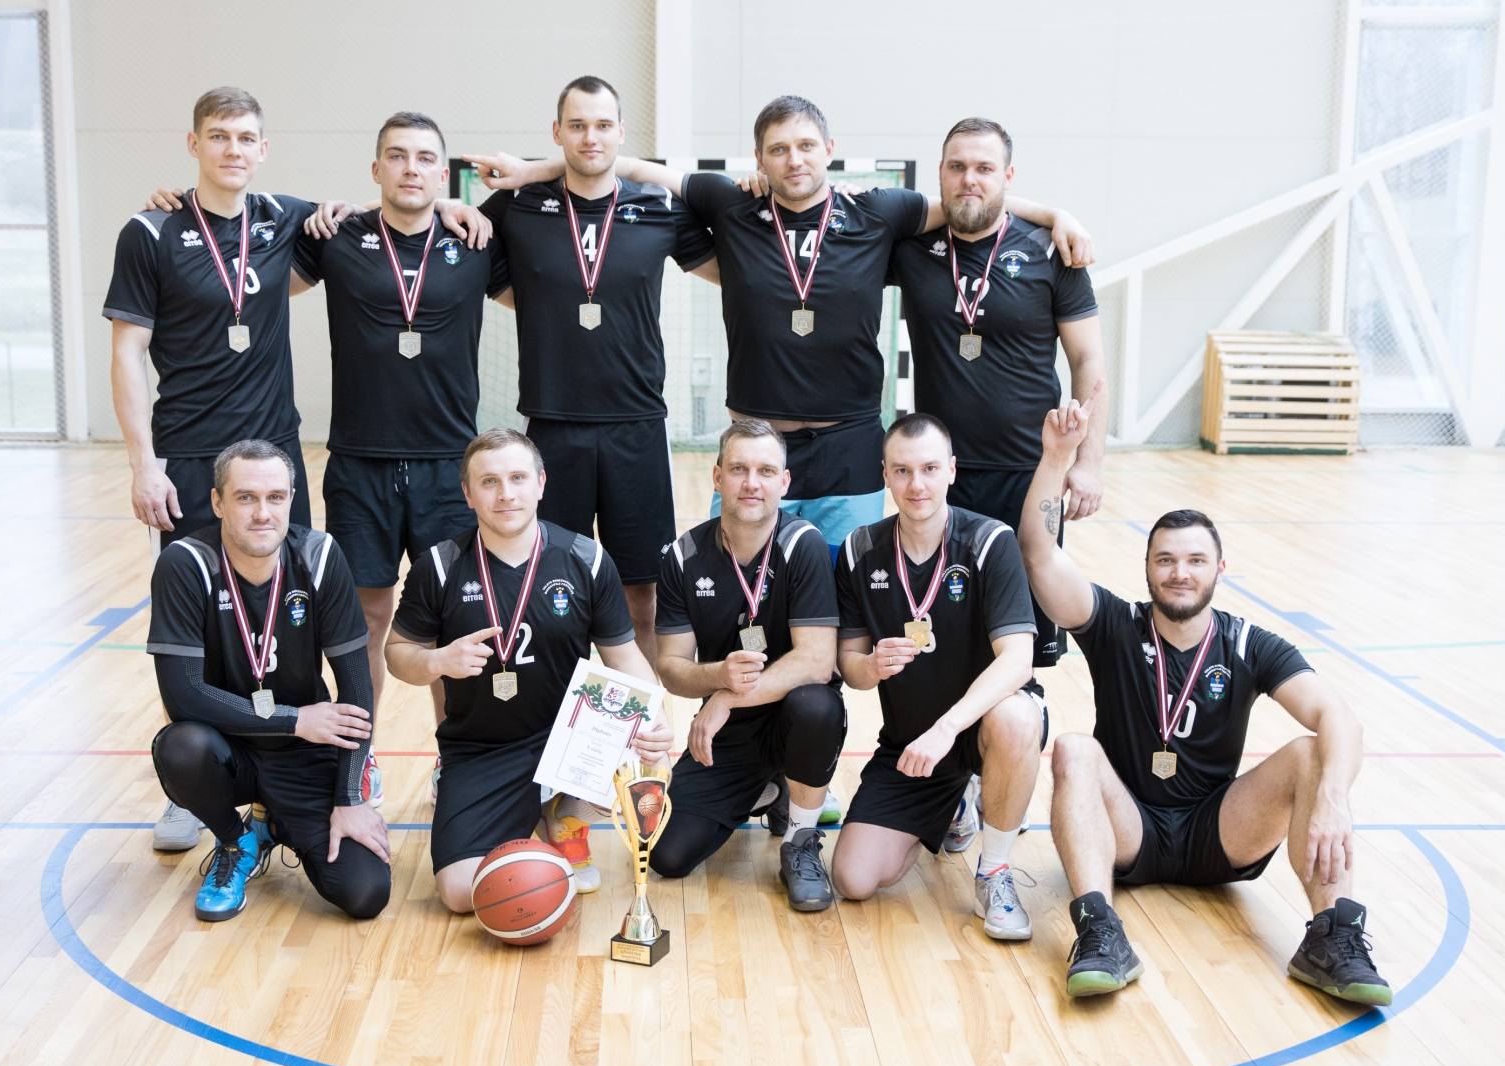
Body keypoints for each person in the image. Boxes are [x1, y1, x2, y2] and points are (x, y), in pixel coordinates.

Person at [470, 96, 1091, 556]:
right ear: (759, 159)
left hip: (848, 444)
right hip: (756, 444)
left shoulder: (878, 212)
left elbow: (968, 205)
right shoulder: (730, 205)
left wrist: (1054, 213)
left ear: (829, 149)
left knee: (842, 603)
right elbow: (621, 164)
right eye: (778, 149)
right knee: (743, 599)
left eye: (806, 146)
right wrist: (530, 172)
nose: (794, 160)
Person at [1018, 385, 1390, 1004]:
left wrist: (1332, 798)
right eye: (1165, 560)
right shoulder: (1115, 624)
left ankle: (1334, 937)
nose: (1179, 573)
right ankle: (1099, 931)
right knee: (1075, 749)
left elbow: (1339, 717)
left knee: (1311, 753)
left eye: (1195, 560)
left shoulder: (1248, 644)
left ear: (1219, 569)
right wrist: (1057, 458)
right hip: (1129, 828)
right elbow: (1038, 555)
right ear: (1147, 569)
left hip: (1219, 832)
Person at [407, 76, 715, 676]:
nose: (589, 137)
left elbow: (733, 249)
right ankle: (560, 726)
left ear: (621, 133)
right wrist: (445, 204)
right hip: (552, 427)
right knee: (554, 590)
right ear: (557, 133)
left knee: (642, 596)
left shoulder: (657, 208)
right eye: (577, 126)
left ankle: (641, 728)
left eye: (602, 125)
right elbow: (454, 240)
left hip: (636, 427)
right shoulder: (519, 207)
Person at [105, 87, 321, 855]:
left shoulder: (285, 219)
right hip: (190, 457)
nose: (234, 148)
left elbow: (383, 221)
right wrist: (143, 464)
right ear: (194, 144)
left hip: (276, 459)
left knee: (288, 617)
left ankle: (295, 772)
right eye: (219, 136)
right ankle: (193, 792)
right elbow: (127, 352)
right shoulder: (151, 231)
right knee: (195, 625)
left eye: (246, 137)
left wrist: (457, 207)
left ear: (264, 149)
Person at [886, 116, 1107, 854]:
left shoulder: (1050, 252)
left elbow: (1088, 363)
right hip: (939, 480)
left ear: (1009, 176)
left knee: (1022, 645)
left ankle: (995, 779)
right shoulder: (913, 248)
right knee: (944, 636)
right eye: (957, 166)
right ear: (940, 174)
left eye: (984, 167)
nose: (969, 179)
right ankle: (951, 784)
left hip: (1029, 474)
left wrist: (1089, 461)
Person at [385, 429, 673, 908]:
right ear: (468, 493)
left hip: (569, 736)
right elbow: (398, 653)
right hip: (482, 748)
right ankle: (537, 820)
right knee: (460, 893)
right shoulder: (440, 566)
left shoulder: (585, 559)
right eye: (490, 482)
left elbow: (624, 655)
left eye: (518, 478)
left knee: (652, 755)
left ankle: (566, 815)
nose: (506, 494)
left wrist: (658, 720)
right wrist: (437, 660)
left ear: (540, 483)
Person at [288, 112, 500, 726]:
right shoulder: (336, 237)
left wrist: (459, 209)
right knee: (366, 618)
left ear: (443, 173)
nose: (411, 168)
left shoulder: (476, 243)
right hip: (360, 464)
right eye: (398, 156)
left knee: (451, 621)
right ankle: (359, 754)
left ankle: (454, 757)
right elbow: (248, 229)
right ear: (376, 168)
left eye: (425, 158)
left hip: (448, 467)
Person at [146, 440, 390, 923]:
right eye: (246, 498)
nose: (262, 513)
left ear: (292, 499)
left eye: (276, 497)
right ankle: (235, 841)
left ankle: (272, 823)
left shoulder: (319, 556)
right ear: (218, 502)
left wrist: (349, 800)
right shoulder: (185, 563)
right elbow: (183, 694)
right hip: (227, 747)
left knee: (365, 893)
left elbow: (357, 692)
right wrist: (294, 719)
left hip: (303, 753)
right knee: (181, 747)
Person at [831, 414, 1047, 941]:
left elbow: (1018, 660)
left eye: (929, 469)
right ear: (885, 474)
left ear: (951, 470)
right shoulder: (860, 550)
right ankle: (953, 804)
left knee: (1018, 717)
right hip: (911, 743)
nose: (917, 485)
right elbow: (849, 665)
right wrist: (870, 664)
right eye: (902, 470)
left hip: (976, 728)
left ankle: (994, 870)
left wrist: (948, 728)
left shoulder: (989, 541)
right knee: (854, 879)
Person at [651, 419, 845, 910]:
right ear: (718, 477)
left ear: (785, 482)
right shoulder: (682, 556)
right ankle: (770, 788)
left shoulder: (804, 545)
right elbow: (670, 666)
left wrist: (724, 698)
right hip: (730, 733)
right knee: (668, 856)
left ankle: (800, 841)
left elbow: (818, 661)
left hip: (792, 717)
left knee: (817, 705)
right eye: (738, 469)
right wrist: (717, 676)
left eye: (766, 471)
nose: (751, 483)